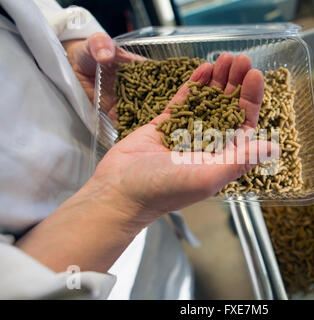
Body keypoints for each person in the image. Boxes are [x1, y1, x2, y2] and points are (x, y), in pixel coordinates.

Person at [0, 0, 277, 299]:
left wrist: (64, 47)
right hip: (86, 274)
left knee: (168, 269)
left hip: (126, 181)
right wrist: (119, 202)